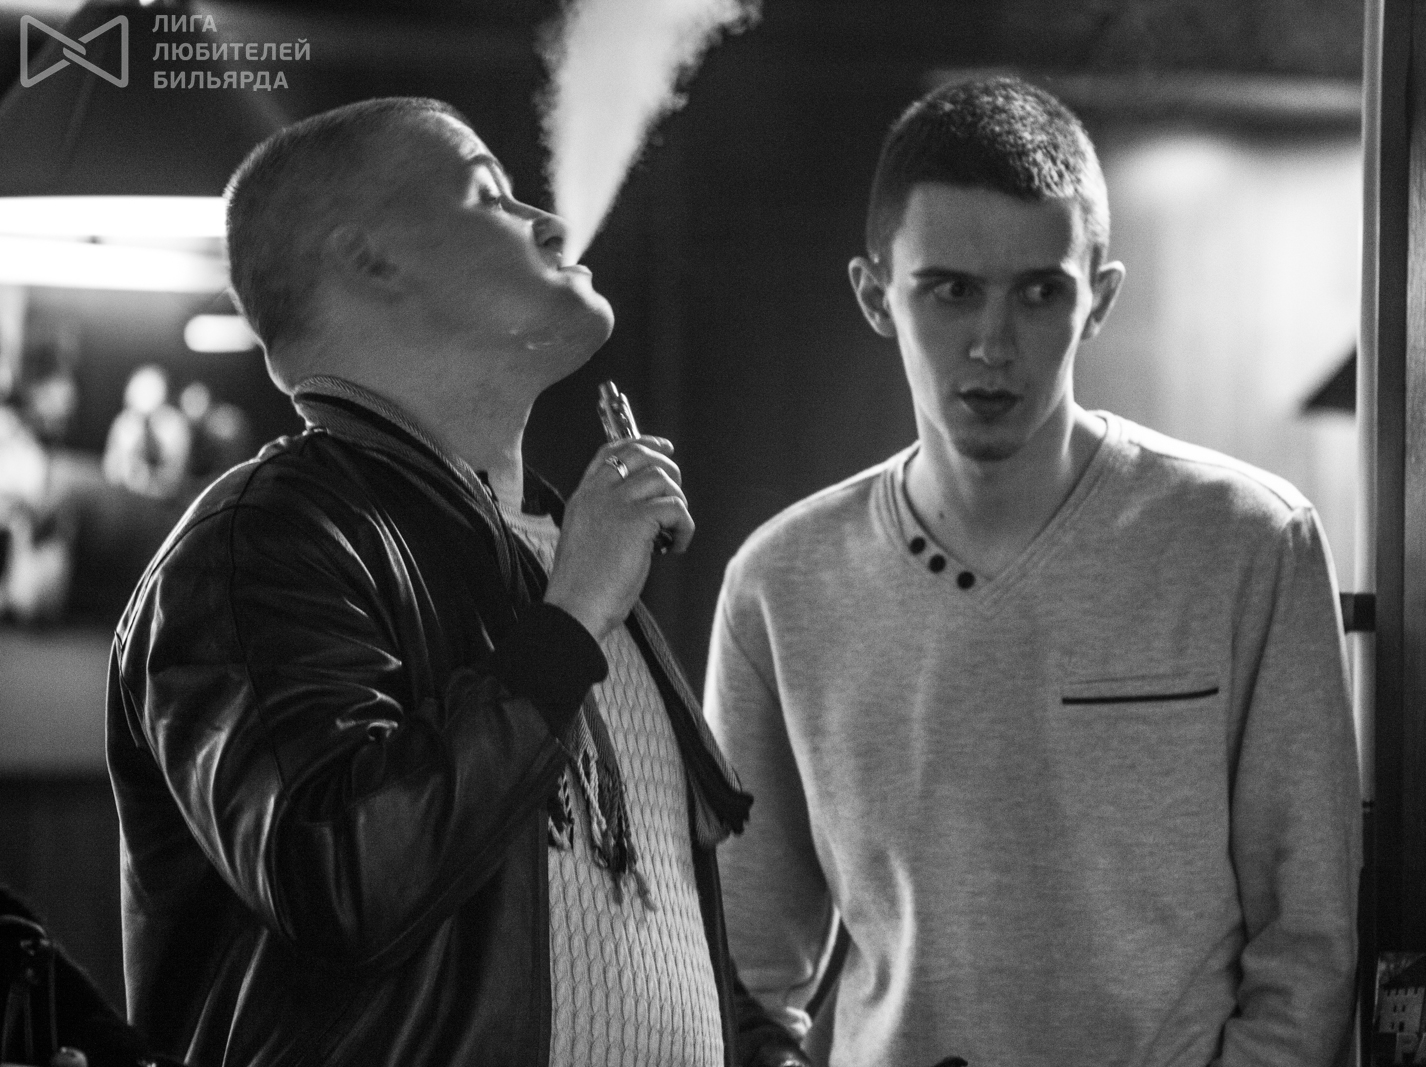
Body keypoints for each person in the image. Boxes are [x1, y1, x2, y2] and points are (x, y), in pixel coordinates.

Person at [107, 97, 806, 1067]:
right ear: (371, 258)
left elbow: (659, 933)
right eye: (489, 196)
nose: (550, 224)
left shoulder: (568, 551)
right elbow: (337, 871)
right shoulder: (258, 539)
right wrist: (570, 621)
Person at [705, 76, 1361, 1066]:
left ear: (1099, 299)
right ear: (876, 295)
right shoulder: (781, 582)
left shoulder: (1247, 542)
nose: (992, 343)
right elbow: (746, 969)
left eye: (1039, 292)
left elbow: (1306, 939)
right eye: (951, 289)